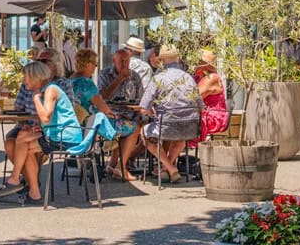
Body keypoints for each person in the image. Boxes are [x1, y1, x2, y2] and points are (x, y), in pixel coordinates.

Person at [0, 61, 81, 201]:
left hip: (65, 137)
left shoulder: (51, 90)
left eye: (25, 76)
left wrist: (36, 100)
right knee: (23, 141)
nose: (23, 80)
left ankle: (16, 179)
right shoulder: (47, 89)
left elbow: (46, 117)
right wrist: (40, 127)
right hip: (57, 133)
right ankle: (32, 190)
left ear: (35, 76)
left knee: (22, 138)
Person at [1, 48, 76, 178]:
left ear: (55, 65)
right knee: (10, 142)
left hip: (51, 129)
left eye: (44, 60)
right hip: (27, 124)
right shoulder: (27, 84)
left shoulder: (60, 85)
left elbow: (61, 113)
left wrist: (40, 124)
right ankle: (28, 182)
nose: (40, 63)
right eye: (38, 60)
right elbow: (18, 108)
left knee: (26, 144)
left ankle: (23, 182)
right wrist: (23, 122)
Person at [70, 49, 140, 181]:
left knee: (122, 123)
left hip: (76, 126)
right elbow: (101, 105)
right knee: (134, 128)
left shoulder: (69, 81)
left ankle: (112, 165)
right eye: (94, 64)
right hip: (93, 126)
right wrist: (111, 113)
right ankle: (121, 168)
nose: (95, 67)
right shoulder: (86, 83)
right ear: (87, 64)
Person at [140, 44, 203, 184]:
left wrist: (151, 111)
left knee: (145, 134)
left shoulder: (159, 78)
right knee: (180, 137)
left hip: (166, 126)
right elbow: (200, 106)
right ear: (178, 59)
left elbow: (144, 108)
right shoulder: (188, 78)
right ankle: (166, 168)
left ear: (162, 60)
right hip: (190, 128)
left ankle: (170, 168)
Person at [193, 49, 229, 143]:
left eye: (196, 62)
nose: (193, 64)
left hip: (214, 116)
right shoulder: (197, 77)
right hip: (201, 112)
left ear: (205, 66)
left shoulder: (212, 78)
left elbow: (193, 97)